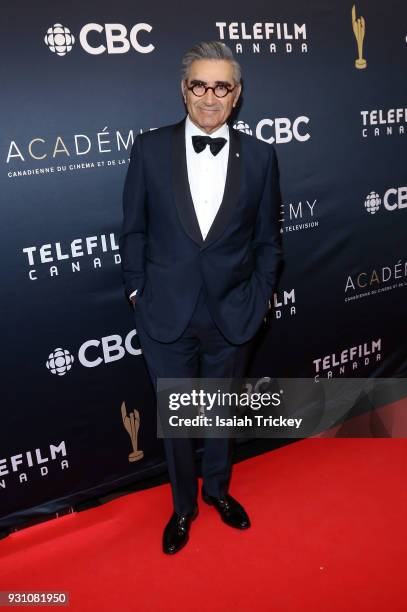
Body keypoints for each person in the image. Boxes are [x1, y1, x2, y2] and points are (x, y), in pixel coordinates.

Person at [119, 41, 283, 554]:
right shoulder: (148, 149)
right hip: (165, 310)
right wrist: (136, 290)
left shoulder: (260, 156)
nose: (209, 97)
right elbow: (133, 231)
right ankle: (182, 506)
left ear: (236, 95)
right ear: (183, 90)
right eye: (199, 85)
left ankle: (217, 491)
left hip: (233, 311)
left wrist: (260, 298)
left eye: (221, 87)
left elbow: (268, 241)